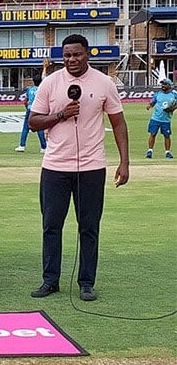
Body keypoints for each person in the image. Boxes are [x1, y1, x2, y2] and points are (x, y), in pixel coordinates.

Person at [28, 34, 129, 302]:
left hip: (92, 168)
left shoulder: (104, 82)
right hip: (55, 167)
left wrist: (124, 162)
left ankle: (86, 282)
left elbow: (118, 123)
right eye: (67, 55)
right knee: (51, 226)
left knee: (89, 227)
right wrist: (60, 114)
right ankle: (50, 280)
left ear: (87, 54)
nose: (72, 60)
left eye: (77, 54)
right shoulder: (51, 83)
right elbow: (33, 122)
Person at [145, 78, 176, 159]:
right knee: (152, 134)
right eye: (162, 84)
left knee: (167, 135)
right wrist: (149, 105)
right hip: (155, 118)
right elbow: (153, 102)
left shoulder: (174, 94)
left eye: (165, 84)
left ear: (169, 85)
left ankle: (167, 152)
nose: (163, 86)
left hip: (166, 120)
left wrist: (173, 108)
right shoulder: (158, 93)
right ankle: (150, 151)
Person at [15, 74, 47, 153]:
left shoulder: (29, 89)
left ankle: (22, 146)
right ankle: (43, 147)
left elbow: (25, 101)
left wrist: (27, 108)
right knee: (40, 128)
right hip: (39, 110)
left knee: (25, 128)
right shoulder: (42, 89)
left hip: (30, 109)